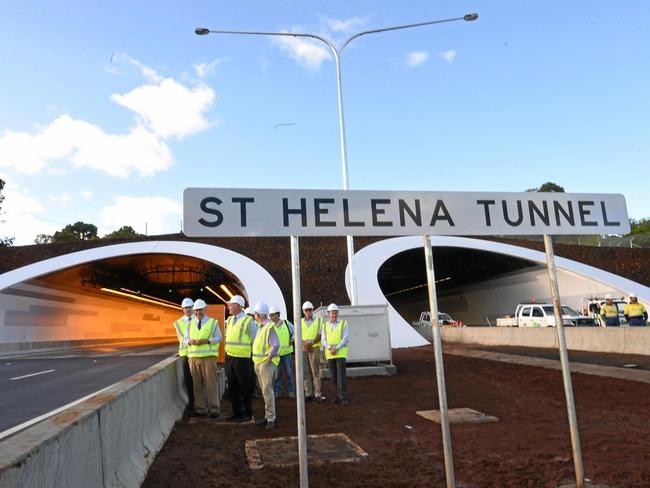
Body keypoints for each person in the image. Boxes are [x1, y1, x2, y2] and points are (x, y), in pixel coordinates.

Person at [185, 299, 221, 417]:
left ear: (205, 309)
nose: (197, 313)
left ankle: (214, 409)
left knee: (211, 384)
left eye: (200, 310)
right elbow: (184, 340)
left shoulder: (213, 323)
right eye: (196, 310)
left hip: (208, 358)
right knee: (197, 385)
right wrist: (190, 341)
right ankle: (200, 409)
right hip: (194, 358)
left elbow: (218, 338)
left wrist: (205, 341)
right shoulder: (189, 324)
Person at [224, 294, 258, 422]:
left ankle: (247, 413)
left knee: (245, 387)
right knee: (233, 387)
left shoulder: (248, 321)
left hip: (243, 359)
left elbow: (255, 339)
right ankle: (237, 412)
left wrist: (253, 357)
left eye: (230, 305)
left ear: (237, 306)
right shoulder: (230, 320)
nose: (228, 307)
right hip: (231, 358)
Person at [251, 302, 280, 430]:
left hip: (265, 363)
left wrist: (268, 359)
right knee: (264, 391)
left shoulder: (268, 327)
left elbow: (275, 345)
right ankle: (268, 416)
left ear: (258, 314)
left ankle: (271, 418)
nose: (254, 316)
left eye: (255, 314)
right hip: (259, 362)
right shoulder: (261, 327)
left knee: (267, 391)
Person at [321, 303, 350, 405]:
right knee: (334, 376)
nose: (334, 315)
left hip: (340, 354)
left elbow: (346, 339)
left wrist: (336, 348)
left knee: (341, 376)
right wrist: (330, 348)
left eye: (335, 313)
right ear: (328, 314)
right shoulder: (324, 325)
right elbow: (323, 340)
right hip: (330, 354)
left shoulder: (343, 323)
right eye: (332, 313)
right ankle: (338, 395)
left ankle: (343, 397)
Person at [173, 297, 195, 413]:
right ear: (182, 309)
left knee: (197, 381)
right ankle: (192, 404)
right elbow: (182, 339)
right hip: (186, 355)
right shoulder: (178, 323)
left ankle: (198, 404)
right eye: (186, 308)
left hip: (196, 355)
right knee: (188, 381)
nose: (188, 310)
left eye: (190, 307)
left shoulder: (198, 320)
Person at [270, 306, 296, 399]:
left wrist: (292, 339)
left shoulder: (286, 323)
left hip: (287, 352)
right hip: (276, 354)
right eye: (270, 315)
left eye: (272, 315)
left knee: (289, 373)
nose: (271, 317)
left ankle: (291, 391)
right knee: (277, 374)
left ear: (277, 315)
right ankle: (277, 391)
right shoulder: (270, 326)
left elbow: (295, 332)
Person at [301, 301, 324, 402]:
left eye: (310, 310)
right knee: (305, 372)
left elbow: (320, 334)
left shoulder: (319, 321)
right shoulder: (300, 321)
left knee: (315, 371)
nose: (308, 312)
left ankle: (317, 393)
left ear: (313, 310)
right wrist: (306, 345)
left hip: (314, 348)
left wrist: (311, 343)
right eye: (306, 310)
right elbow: (297, 334)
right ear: (303, 311)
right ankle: (308, 393)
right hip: (303, 349)